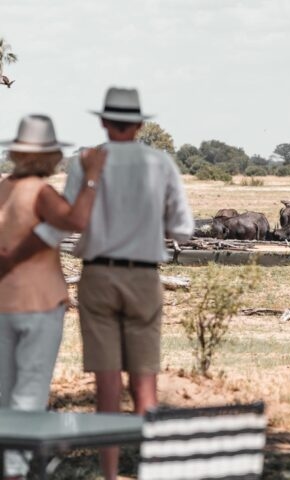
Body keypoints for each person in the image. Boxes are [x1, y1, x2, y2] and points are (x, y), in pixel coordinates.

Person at [2, 87, 195, 480]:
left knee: (106, 380)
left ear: (104, 122)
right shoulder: (160, 163)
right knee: (145, 379)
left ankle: (108, 473)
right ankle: (148, 470)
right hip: (143, 275)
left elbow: (64, 225)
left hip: (97, 274)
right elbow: (183, 229)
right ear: (140, 124)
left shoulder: (86, 162)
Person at [0, 114, 106, 480]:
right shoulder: (40, 192)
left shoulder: (3, 189)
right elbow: (76, 220)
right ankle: (16, 469)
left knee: (5, 390)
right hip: (40, 302)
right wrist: (91, 178)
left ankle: (10, 463)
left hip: (3, 302)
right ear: (49, 156)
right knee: (29, 390)